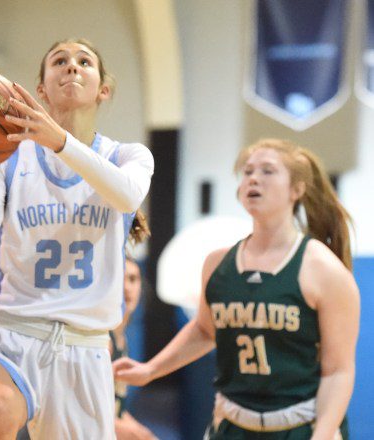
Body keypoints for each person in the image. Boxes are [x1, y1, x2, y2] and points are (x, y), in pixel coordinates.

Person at [0, 37, 154, 439]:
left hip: (85, 346)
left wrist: (58, 141)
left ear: (103, 90)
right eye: (59, 61)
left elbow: (128, 195)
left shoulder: (128, 157)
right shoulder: (6, 158)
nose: (72, 67)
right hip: (11, 333)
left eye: (84, 62)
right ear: (41, 89)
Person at [114, 138, 360, 439]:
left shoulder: (323, 269)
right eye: (247, 171)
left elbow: (338, 371)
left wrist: (322, 434)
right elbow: (205, 330)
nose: (253, 178)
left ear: (296, 190)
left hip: (299, 424)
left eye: (268, 171)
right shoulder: (218, 263)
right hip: (232, 422)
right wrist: (151, 369)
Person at [112, 255, 158, 440]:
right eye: (119, 279)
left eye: (133, 279)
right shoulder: (101, 339)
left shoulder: (121, 338)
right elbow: (85, 410)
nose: (127, 287)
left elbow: (117, 410)